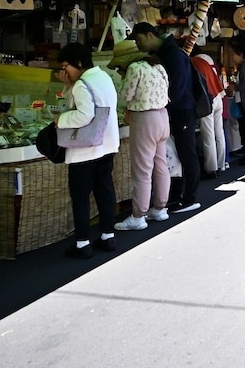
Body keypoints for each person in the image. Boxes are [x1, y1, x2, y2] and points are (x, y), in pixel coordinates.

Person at [54, 42, 120, 259]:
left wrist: (60, 120)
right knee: (104, 191)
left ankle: (82, 244)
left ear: (79, 63)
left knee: (80, 196)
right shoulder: (103, 77)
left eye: (66, 66)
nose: (64, 72)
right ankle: (107, 236)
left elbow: (84, 114)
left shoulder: (82, 83)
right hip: (107, 145)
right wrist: (69, 85)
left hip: (85, 149)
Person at [130, 22, 201, 214]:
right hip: (172, 111)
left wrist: (163, 107)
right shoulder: (165, 54)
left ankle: (189, 198)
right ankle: (174, 197)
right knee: (173, 157)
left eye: (139, 39)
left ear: (150, 35)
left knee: (186, 154)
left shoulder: (174, 55)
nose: (138, 44)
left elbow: (176, 89)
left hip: (182, 110)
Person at [108, 40, 171, 230]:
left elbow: (125, 95)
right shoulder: (158, 67)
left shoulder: (134, 69)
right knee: (161, 165)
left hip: (144, 120)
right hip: (162, 116)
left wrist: (122, 79)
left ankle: (138, 215)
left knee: (142, 169)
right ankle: (159, 208)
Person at [191, 52, 227, 177]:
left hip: (207, 100)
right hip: (217, 96)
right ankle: (221, 165)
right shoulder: (203, 61)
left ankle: (211, 169)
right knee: (219, 132)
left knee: (208, 136)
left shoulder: (192, 62)